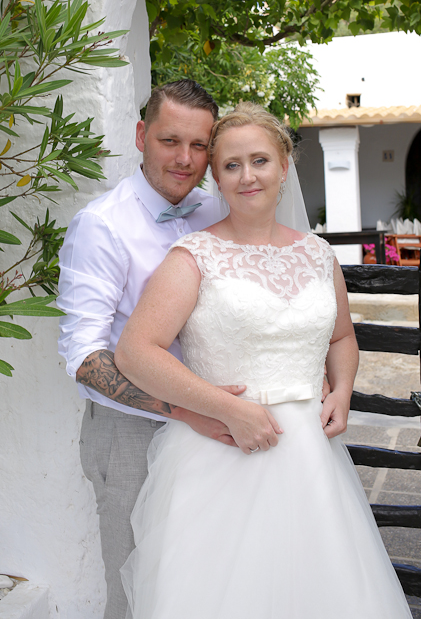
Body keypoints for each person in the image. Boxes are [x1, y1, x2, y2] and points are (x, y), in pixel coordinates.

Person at [115, 103, 412, 619]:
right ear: (216, 177)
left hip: (311, 458)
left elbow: (342, 337)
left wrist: (342, 390)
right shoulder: (193, 257)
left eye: (259, 161)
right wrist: (227, 408)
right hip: (223, 451)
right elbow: (135, 351)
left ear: (284, 166)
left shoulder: (318, 255)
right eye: (231, 165)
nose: (247, 176)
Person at [58, 81, 249, 619]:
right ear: (142, 136)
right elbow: (84, 356)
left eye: (199, 145)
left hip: (219, 425)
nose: (185, 159)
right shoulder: (102, 225)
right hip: (132, 431)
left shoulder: (219, 210)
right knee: (136, 583)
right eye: (170, 141)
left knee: (210, 579)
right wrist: (186, 410)